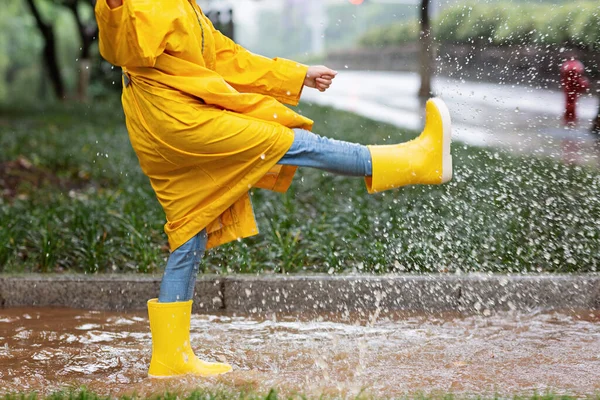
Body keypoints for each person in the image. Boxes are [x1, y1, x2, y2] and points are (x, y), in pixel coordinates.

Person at [95, 0, 453, 378]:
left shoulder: (185, 7)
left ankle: (170, 357)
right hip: (178, 123)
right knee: (288, 142)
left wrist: (298, 75)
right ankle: (415, 161)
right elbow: (124, 46)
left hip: (175, 121)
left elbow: (228, 58)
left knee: (190, 228)